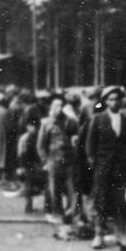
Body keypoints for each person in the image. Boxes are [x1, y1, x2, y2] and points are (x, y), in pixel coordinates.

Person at [86, 85, 126, 251]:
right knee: (100, 200)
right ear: (106, 101)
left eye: (117, 99)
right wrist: (95, 164)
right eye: (111, 99)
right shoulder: (98, 119)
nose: (114, 102)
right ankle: (99, 234)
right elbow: (90, 145)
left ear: (121, 101)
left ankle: (121, 234)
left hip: (121, 168)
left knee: (120, 202)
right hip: (102, 168)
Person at [38, 93, 79, 224]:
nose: (59, 109)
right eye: (56, 106)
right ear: (52, 108)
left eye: (61, 106)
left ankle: (71, 214)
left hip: (69, 161)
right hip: (53, 161)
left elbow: (76, 138)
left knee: (72, 189)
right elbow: (41, 145)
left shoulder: (70, 121)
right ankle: (58, 214)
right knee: (55, 190)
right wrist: (45, 161)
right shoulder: (46, 123)